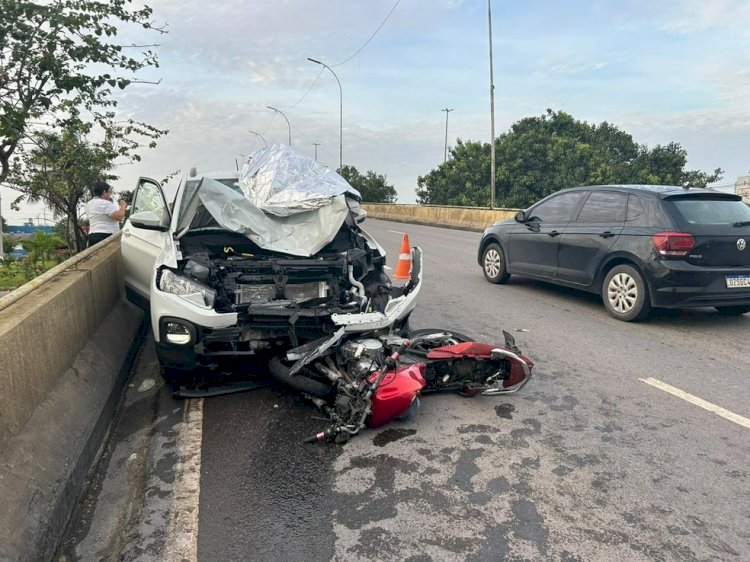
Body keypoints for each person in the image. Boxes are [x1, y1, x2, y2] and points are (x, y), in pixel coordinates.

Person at [85, 180, 127, 248]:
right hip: (105, 235)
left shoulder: (88, 204)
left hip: (92, 236)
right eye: (109, 192)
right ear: (104, 192)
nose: (110, 195)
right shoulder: (105, 203)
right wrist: (123, 206)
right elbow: (119, 216)